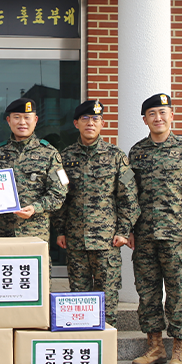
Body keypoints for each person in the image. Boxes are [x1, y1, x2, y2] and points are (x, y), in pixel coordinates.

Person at [129, 93, 182, 364]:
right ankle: (155, 347)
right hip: (145, 235)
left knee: (177, 294)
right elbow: (131, 195)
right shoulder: (137, 152)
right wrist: (129, 229)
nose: (158, 118)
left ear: (172, 115)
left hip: (177, 237)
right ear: (145, 119)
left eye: (163, 112)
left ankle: (180, 350)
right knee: (147, 293)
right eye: (152, 114)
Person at [53, 100, 140, 328]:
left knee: (107, 299)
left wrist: (123, 231)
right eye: (85, 119)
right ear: (76, 123)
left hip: (107, 241)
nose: (90, 123)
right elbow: (62, 198)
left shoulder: (116, 157)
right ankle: (83, 342)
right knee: (79, 299)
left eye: (96, 119)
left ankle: (106, 345)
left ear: (102, 124)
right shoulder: (64, 157)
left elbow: (128, 197)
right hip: (75, 240)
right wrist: (60, 231)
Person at [0, 98, 68, 242]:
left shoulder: (50, 154)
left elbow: (59, 193)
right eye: (16, 117)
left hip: (35, 234)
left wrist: (35, 207)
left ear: (35, 120)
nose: (22, 122)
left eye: (27, 118)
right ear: (8, 120)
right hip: (3, 233)